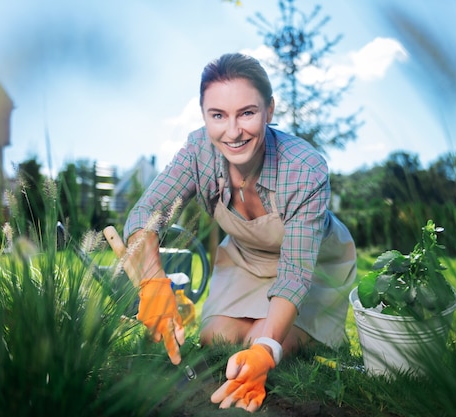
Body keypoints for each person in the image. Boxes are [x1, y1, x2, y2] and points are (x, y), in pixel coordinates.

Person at [121, 52, 357, 412]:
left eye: (247, 113)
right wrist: (152, 282)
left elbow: (294, 273)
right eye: (218, 116)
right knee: (217, 340)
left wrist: (266, 349)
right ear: (204, 115)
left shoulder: (304, 168)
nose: (232, 132)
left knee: (257, 343)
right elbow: (144, 216)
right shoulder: (197, 150)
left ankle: (305, 338)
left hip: (313, 264)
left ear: (269, 111)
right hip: (246, 256)